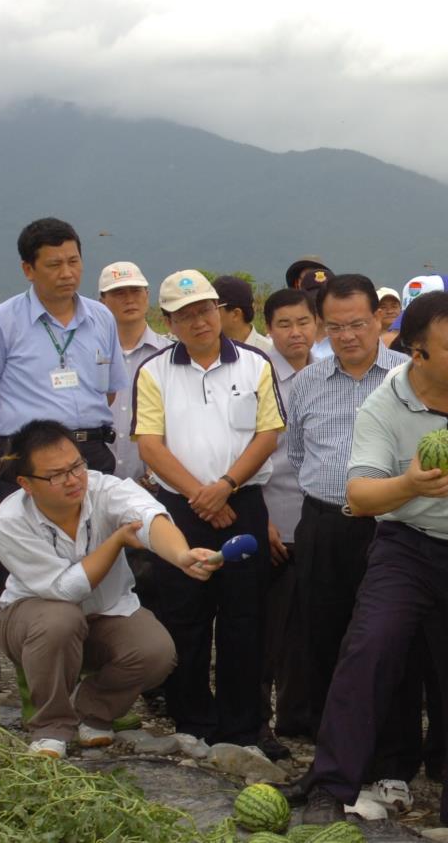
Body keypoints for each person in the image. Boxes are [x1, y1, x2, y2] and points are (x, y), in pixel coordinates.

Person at [289, 290, 448, 843]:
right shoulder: (385, 402)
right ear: (416, 353)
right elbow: (358, 495)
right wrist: (408, 484)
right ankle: (330, 787)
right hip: (407, 547)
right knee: (370, 649)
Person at [0, 420, 217, 758]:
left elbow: (150, 517)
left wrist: (182, 555)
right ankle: (50, 726)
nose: (73, 480)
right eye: (56, 475)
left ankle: (94, 710)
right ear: (26, 483)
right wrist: (116, 541)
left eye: (76, 466)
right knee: (60, 620)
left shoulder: (105, 488)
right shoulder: (10, 521)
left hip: (104, 615)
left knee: (156, 651)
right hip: (32, 623)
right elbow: (65, 590)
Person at [133, 269, 283, 746]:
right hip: (181, 510)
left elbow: (268, 433)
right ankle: (192, 721)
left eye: (205, 309)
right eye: (185, 315)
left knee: (245, 617)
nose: (198, 321)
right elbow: (150, 446)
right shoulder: (154, 371)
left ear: (218, 310)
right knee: (185, 616)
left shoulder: (255, 364)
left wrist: (226, 485)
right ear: (168, 321)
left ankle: (242, 727)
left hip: (244, 503)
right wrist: (202, 495)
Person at [0, 218, 129, 686]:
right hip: (28, 461)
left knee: (101, 561)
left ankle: (101, 681)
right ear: (28, 269)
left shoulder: (100, 317)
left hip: (91, 453)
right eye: (53, 265)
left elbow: (107, 393)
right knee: (31, 568)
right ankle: (37, 684)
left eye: (74, 261)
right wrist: (16, 452)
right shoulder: (1, 322)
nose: (67, 273)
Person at [285, 275, 409, 736]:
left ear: (379, 318)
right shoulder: (306, 382)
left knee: (390, 638)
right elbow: (298, 453)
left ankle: (390, 752)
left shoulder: (409, 376)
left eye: (357, 323)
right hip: (325, 523)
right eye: (335, 327)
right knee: (321, 635)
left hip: (392, 525)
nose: (347, 336)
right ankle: (330, 744)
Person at [257, 287, 318, 758]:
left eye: (303, 322)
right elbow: (248, 453)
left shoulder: (328, 374)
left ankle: (301, 717)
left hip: (318, 520)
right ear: (269, 329)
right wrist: (262, 521)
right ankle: (257, 723)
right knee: (264, 628)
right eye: (284, 325)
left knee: (310, 625)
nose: (295, 333)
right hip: (272, 517)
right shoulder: (257, 376)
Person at [98, 262, 171, 486]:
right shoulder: (87, 355)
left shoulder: (169, 354)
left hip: (156, 485)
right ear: (102, 301)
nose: (129, 299)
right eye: (118, 293)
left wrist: (154, 475)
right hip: (96, 483)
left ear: (147, 294)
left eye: (136, 291)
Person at [213, 275, 274, 354]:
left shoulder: (269, 353)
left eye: (213, 308)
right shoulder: (208, 352)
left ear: (236, 314)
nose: (207, 315)